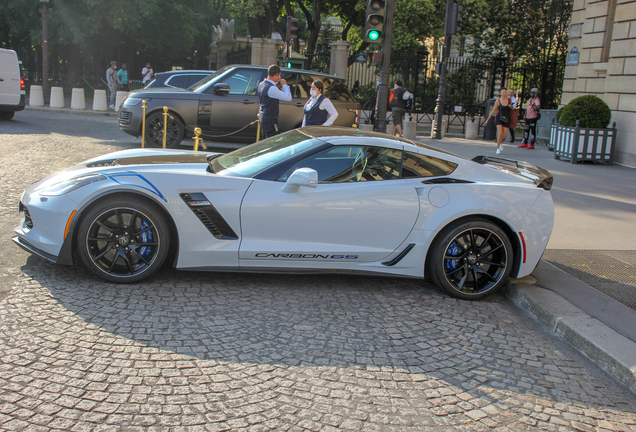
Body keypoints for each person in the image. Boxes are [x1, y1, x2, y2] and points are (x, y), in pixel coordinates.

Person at [257, 65, 292, 139]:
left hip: (263, 116)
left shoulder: (261, 84)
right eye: (280, 75)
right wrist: (284, 85)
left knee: (265, 139)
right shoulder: (272, 88)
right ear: (277, 75)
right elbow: (288, 97)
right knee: (271, 140)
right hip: (270, 118)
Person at [485, 87, 511, 155]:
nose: (505, 93)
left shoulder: (509, 100)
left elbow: (513, 109)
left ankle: (501, 143)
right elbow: (493, 110)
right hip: (499, 118)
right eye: (503, 92)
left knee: (504, 136)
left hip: (506, 118)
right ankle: (498, 148)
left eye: (505, 92)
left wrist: (512, 107)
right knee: (500, 133)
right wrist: (487, 120)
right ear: (500, 93)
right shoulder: (498, 101)